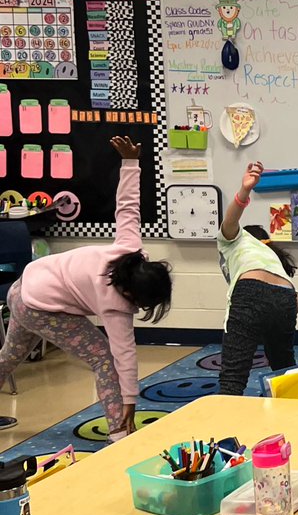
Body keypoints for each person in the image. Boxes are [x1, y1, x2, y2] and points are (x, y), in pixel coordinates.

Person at [0, 136, 171, 439]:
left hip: (23, 286)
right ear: (132, 294)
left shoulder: (129, 251)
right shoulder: (114, 303)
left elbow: (129, 207)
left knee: (10, 357)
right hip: (39, 305)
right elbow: (125, 355)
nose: (140, 310)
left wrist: (131, 162)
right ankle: (119, 433)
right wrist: (129, 401)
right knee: (103, 357)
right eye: (144, 305)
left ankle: (119, 425)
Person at [216, 161, 298, 395]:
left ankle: (226, 429)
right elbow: (297, 300)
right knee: (283, 366)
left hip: (251, 291)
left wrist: (245, 190)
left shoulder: (234, 238)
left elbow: (231, 220)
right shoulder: (270, 253)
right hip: (287, 296)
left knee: (233, 377)